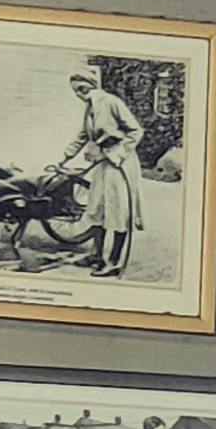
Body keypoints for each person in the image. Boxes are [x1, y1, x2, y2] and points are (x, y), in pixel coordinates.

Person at [67, 65, 144, 277]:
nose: (79, 95)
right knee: (97, 208)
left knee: (118, 211)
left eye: (81, 89)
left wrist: (114, 154)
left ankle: (114, 262)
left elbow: (136, 131)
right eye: (76, 91)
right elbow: (84, 135)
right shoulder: (90, 107)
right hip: (103, 163)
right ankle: (96, 255)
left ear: (90, 86)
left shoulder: (111, 102)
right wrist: (66, 156)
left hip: (120, 163)